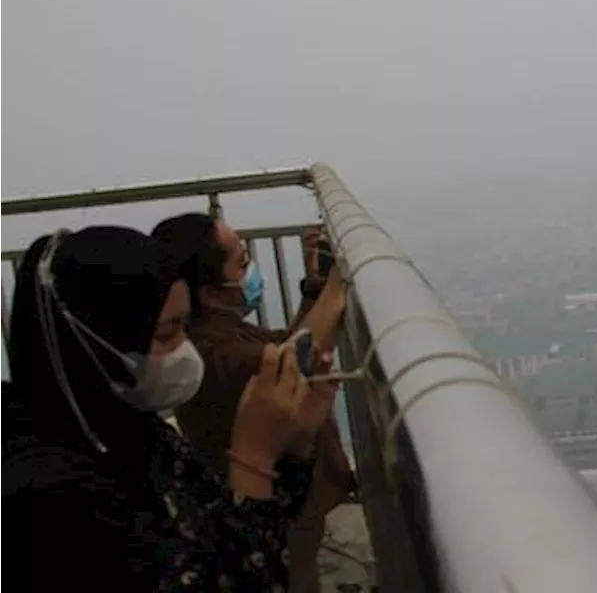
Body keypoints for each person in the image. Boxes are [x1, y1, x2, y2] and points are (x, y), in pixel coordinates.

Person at [0, 226, 339, 590]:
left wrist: (294, 447)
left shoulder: (131, 432)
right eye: (167, 333)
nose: (185, 350)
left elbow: (227, 533)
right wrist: (253, 457)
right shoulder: (45, 497)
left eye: (183, 326)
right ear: (95, 343)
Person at [152, 213, 351, 593]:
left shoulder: (221, 330)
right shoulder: (219, 356)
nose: (250, 271)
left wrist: (315, 287)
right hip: (272, 502)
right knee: (296, 576)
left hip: (282, 497)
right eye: (242, 263)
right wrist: (341, 281)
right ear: (210, 292)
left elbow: (290, 341)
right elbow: (299, 356)